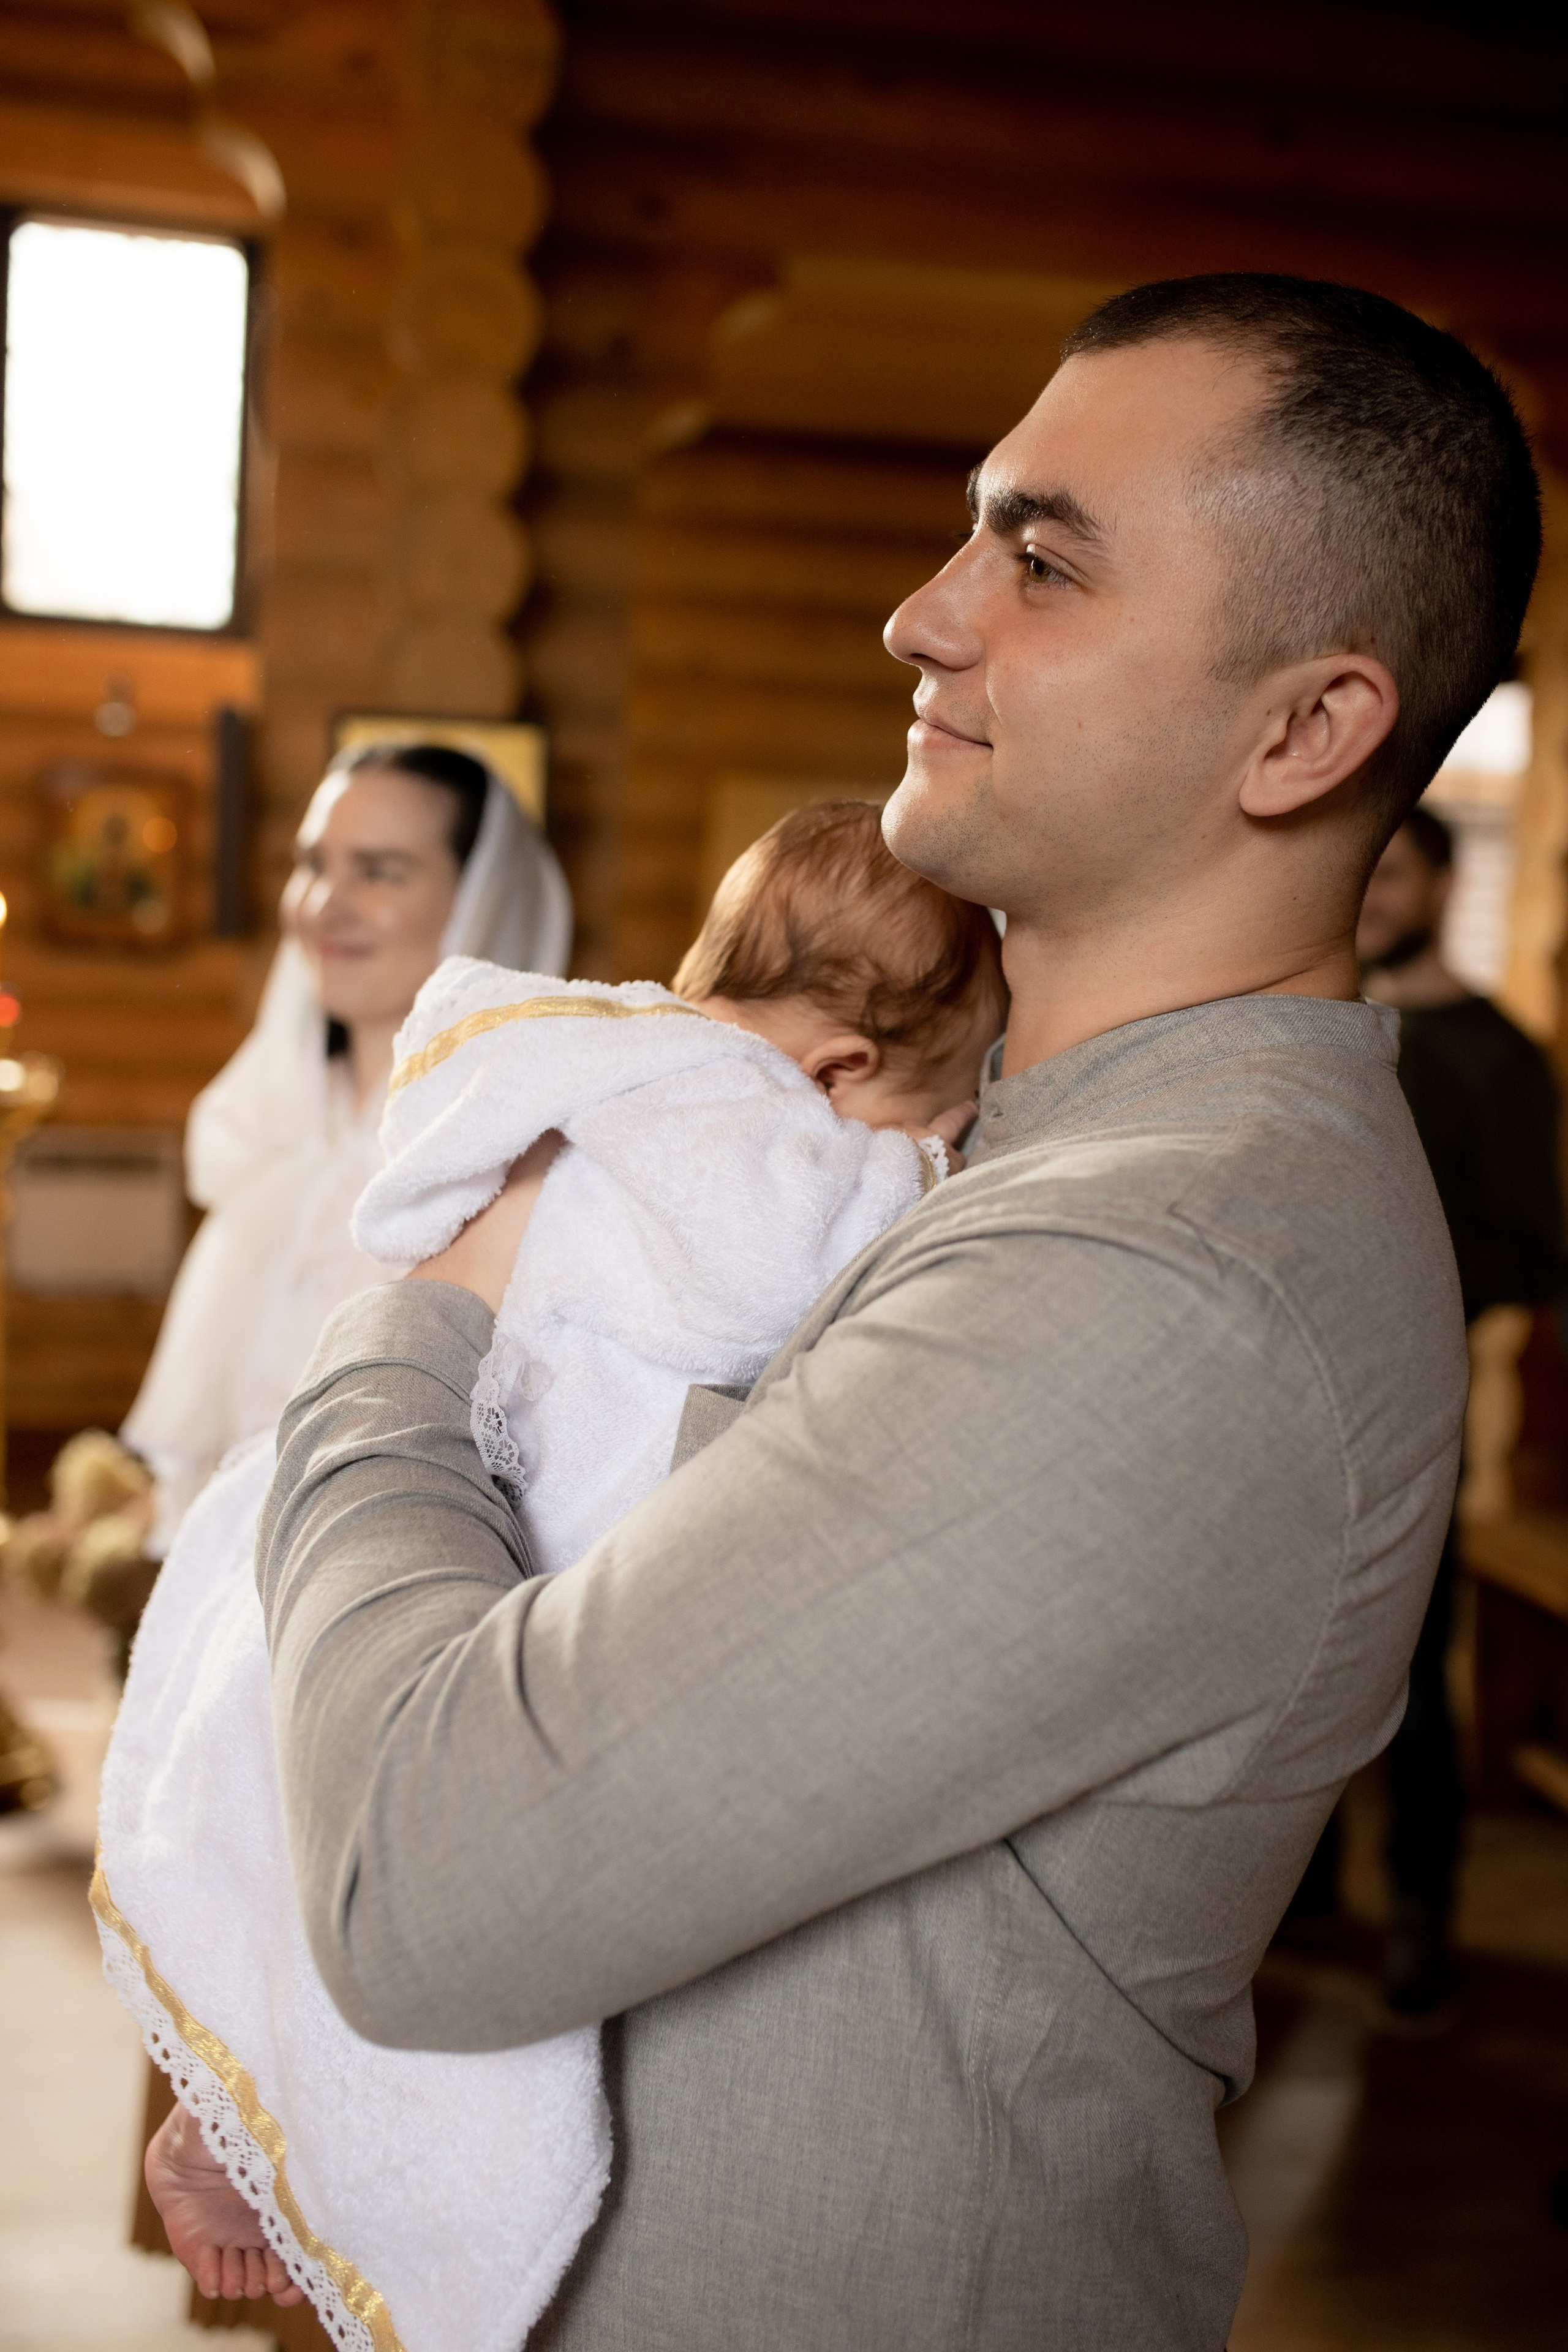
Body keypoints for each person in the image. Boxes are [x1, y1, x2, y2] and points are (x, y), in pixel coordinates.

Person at [244, 278, 1537, 2348]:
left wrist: (413, 1318)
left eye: (1041, 561)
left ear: (1305, 730)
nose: (925, 616)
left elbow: (428, 1878)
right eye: (968, 534)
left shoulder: (1168, 1271)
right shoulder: (1018, 1148)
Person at [111, 804, 1003, 2342]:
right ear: (840, 1072)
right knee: (432, 1883)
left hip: (322, 1527)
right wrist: (927, 1176)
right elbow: (779, 1290)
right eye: (926, 1108)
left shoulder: (591, 1058)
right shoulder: (754, 1139)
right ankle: (282, 2137)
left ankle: (238, 2121)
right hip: (493, 1511)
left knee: (291, 1865)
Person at [122, 740, 571, 1554]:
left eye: (380, 870)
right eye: (313, 863)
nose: (325, 902)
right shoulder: (273, 1125)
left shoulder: (515, 1163)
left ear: (481, 900)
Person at [1354, 804, 1564, 2015]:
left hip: (1418, 1413)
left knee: (1410, 1682)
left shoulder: (1493, 1054)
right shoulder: (1323, 1031)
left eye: (1395, 872)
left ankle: (1418, 1923)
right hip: (1286, 1406)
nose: (1371, 892)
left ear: (1439, 883)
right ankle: (1305, 1901)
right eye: (1361, 873)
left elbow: (1532, 1249)